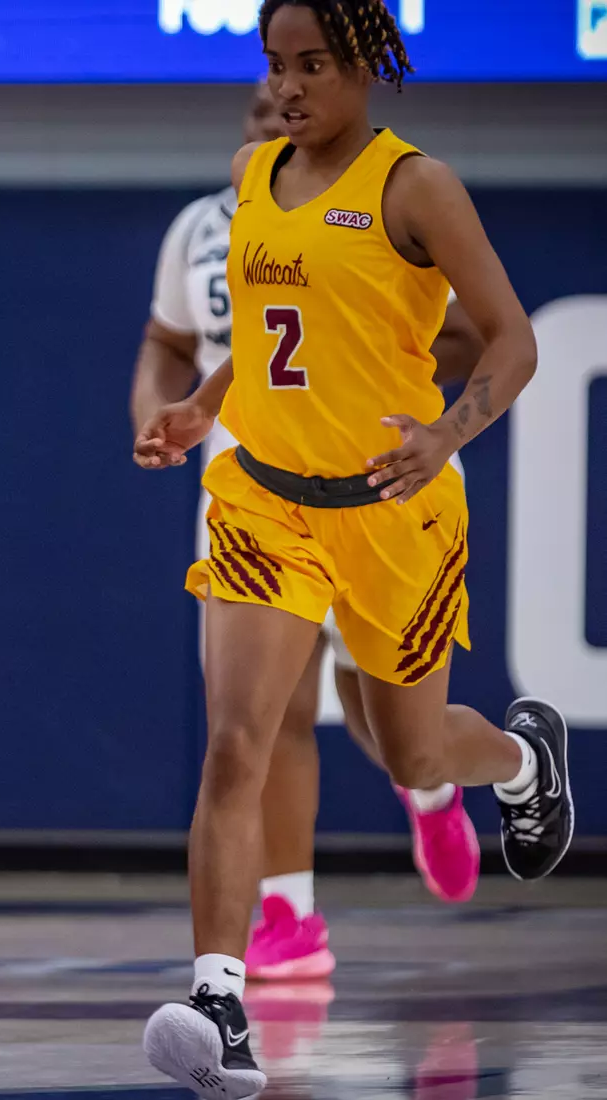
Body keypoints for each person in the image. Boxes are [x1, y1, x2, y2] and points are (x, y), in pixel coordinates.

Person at [134, 2, 573, 1095]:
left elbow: (513, 340)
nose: (290, 86)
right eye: (276, 65)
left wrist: (445, 435)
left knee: (412, 755)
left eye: (313, 64)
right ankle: (219, 1001)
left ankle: (521, 761)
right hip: (264, 501)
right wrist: (198, 405)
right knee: (239, 737)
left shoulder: (414, 185)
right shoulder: (250, 173)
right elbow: (272, 341)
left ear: (367, 63)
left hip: (391, 506)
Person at [132, 81, 487, 984]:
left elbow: (466, 336)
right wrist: (172, 411)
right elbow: (180, 342)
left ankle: (437, 785)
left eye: (303, 77)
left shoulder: (396, 196)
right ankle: (285, 917)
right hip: (257, 482)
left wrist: (417, 419)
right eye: (258, 103)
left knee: (379, 709)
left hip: (379, 482)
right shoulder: (209, 223)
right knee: (259, 719)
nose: (276, 114)